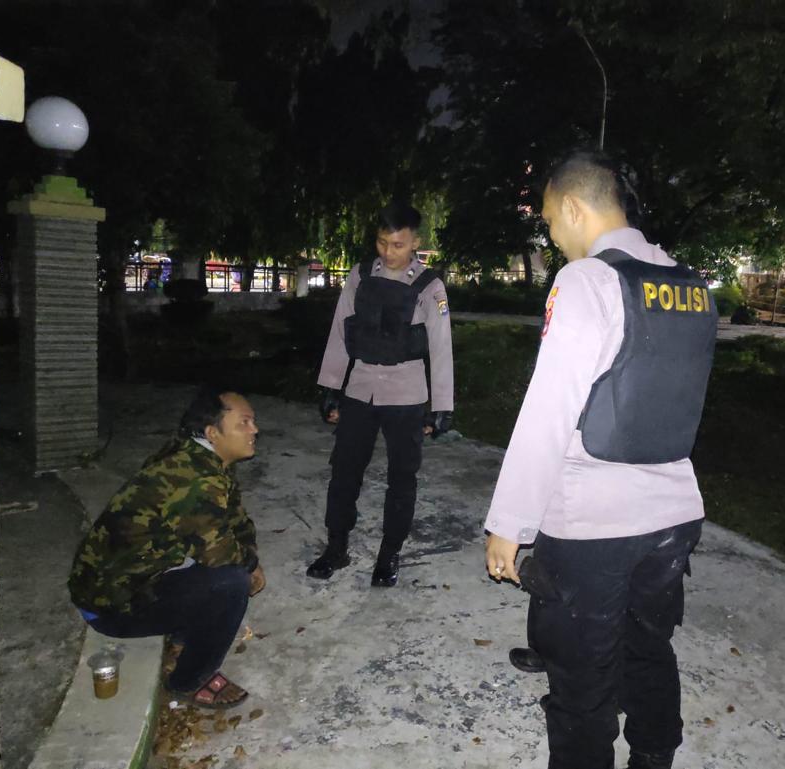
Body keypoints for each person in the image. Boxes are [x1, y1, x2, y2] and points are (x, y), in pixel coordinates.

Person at [483, 151, 717, 769]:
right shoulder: (690, 284)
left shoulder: (587, 279)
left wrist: (509, 524)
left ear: (572, 207)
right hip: (673, 516)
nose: (553, 237)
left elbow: (549, 408)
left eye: (549, 223)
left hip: (593, 523)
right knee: (648, 649)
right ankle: (654, 757)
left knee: (581, 681)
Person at [68, 387, 265, 709]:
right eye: (244, 422)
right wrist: (250, 565)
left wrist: (251, 554)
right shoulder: (193, 478)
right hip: (112, 606)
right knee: (231, 582)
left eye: (253, 421)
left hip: (136, 581)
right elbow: (218, 552)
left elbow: (236, 519)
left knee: (226, 563)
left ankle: (181, 638)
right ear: (212, 433)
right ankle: (189, 681)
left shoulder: (202, 457)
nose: (254, 429)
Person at [307, 201, 454, 587]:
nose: (388, 252)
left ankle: (389, 554)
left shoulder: (430, 286)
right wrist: (330, 386)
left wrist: (441, 406)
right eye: (382, 242)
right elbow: (341, 330)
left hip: (406, 394)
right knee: (344, 472)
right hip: (360, 388)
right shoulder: (359, 276)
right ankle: (336, 547)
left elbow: (441, 347)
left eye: (398, 245)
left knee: (402, 478)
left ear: (415, 242)